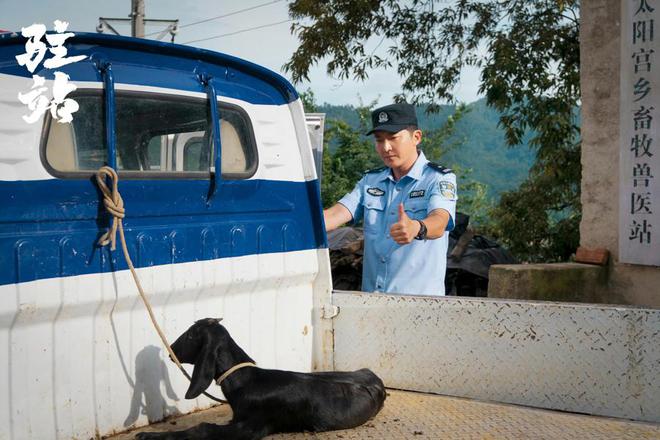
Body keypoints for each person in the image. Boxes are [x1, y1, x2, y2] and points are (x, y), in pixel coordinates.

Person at [323, 103, 457, 295]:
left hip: (420, 308)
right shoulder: (371, 181)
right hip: (372, 303)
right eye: (379, 140)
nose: (386, 147)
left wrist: (417, 228)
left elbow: (440, 220)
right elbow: (336, 214)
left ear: (416, 137)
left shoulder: (438, 178)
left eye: (393, 138)